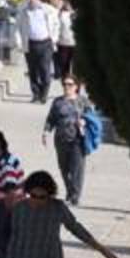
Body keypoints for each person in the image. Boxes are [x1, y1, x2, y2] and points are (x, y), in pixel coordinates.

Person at [43, 75, 91, 205]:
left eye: (70, 84)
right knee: (64, 168)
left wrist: (84, 122)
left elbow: (92, 118)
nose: (66, 87)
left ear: (76, 87)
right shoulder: (58, 102)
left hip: (78, 139)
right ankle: (70, 190)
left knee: (77, 169)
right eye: (64, 84)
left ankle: (75, 196)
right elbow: (51, 118)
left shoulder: (83, 101)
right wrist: (46, 132)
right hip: (61, 139)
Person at [18, 0, 60, 103]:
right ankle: (36, 94)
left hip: (45, 43)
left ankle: (44, 94)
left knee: (45, 70)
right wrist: (20, 43)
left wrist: (54, 39)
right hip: (31, 44)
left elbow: (56, 24)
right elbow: (19, 28)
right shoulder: (24, 12)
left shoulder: (48, 10)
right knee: (32, 71)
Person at [56, 0, 76, 79]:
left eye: (69, 3)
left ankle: (75, 88)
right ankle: (65, 83)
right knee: (64, 66)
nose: (68, 4)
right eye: (66, 2)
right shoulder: (60, 14)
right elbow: (55, 25)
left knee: (76, 68)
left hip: (75, 44)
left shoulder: (76, 13)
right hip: (63, 43)